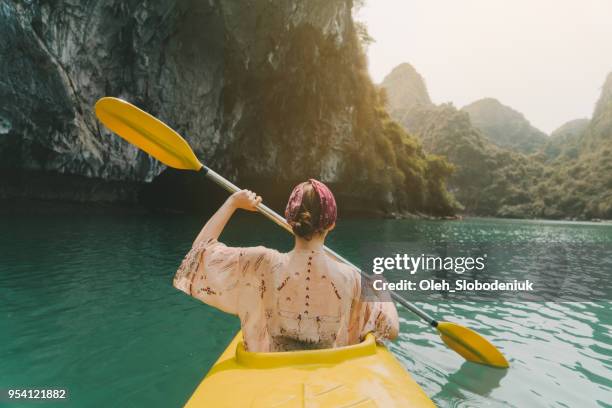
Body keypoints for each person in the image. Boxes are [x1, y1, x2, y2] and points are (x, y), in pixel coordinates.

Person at [173, 179, 398, 352]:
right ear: (332, 224)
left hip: (271, 374)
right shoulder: (353, 278)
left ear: (290, 221)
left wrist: (232, 202)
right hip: (326, 383)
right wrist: (381, 287)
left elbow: (198, 255)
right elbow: (390, 329)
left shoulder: (261, 262)